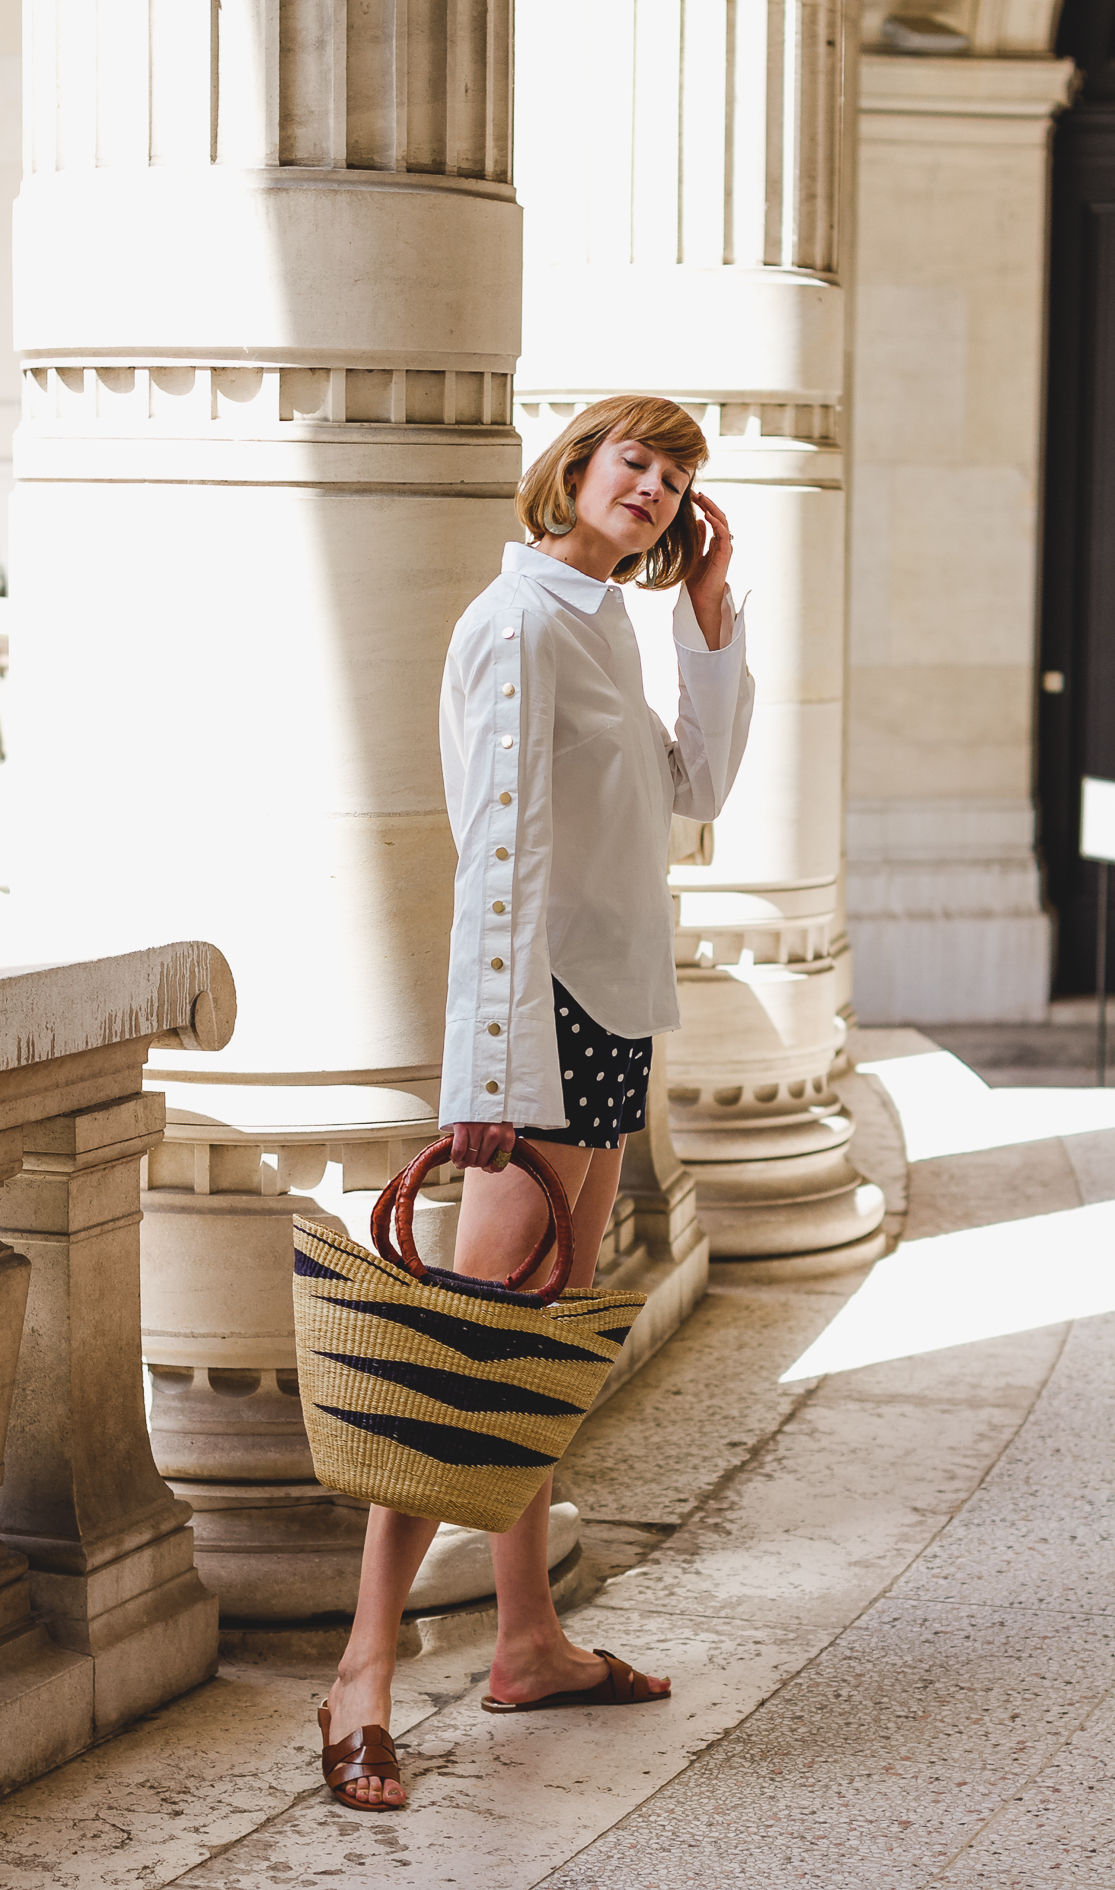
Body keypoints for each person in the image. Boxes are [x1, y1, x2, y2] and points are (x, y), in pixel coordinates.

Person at [319, 394, 754, 1810]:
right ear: (574, 468)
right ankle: (362, 1673)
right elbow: (495, 861)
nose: (658, 482)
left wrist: (707, 609)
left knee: (533, 1343)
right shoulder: (515, 623)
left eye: (679, 470)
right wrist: (488, 1081)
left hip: (612, 1010)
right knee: (457, 1360)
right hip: (544, 1027)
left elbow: (697, 782)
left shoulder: (602, 619)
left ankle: (527, 1639)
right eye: (638, 456)